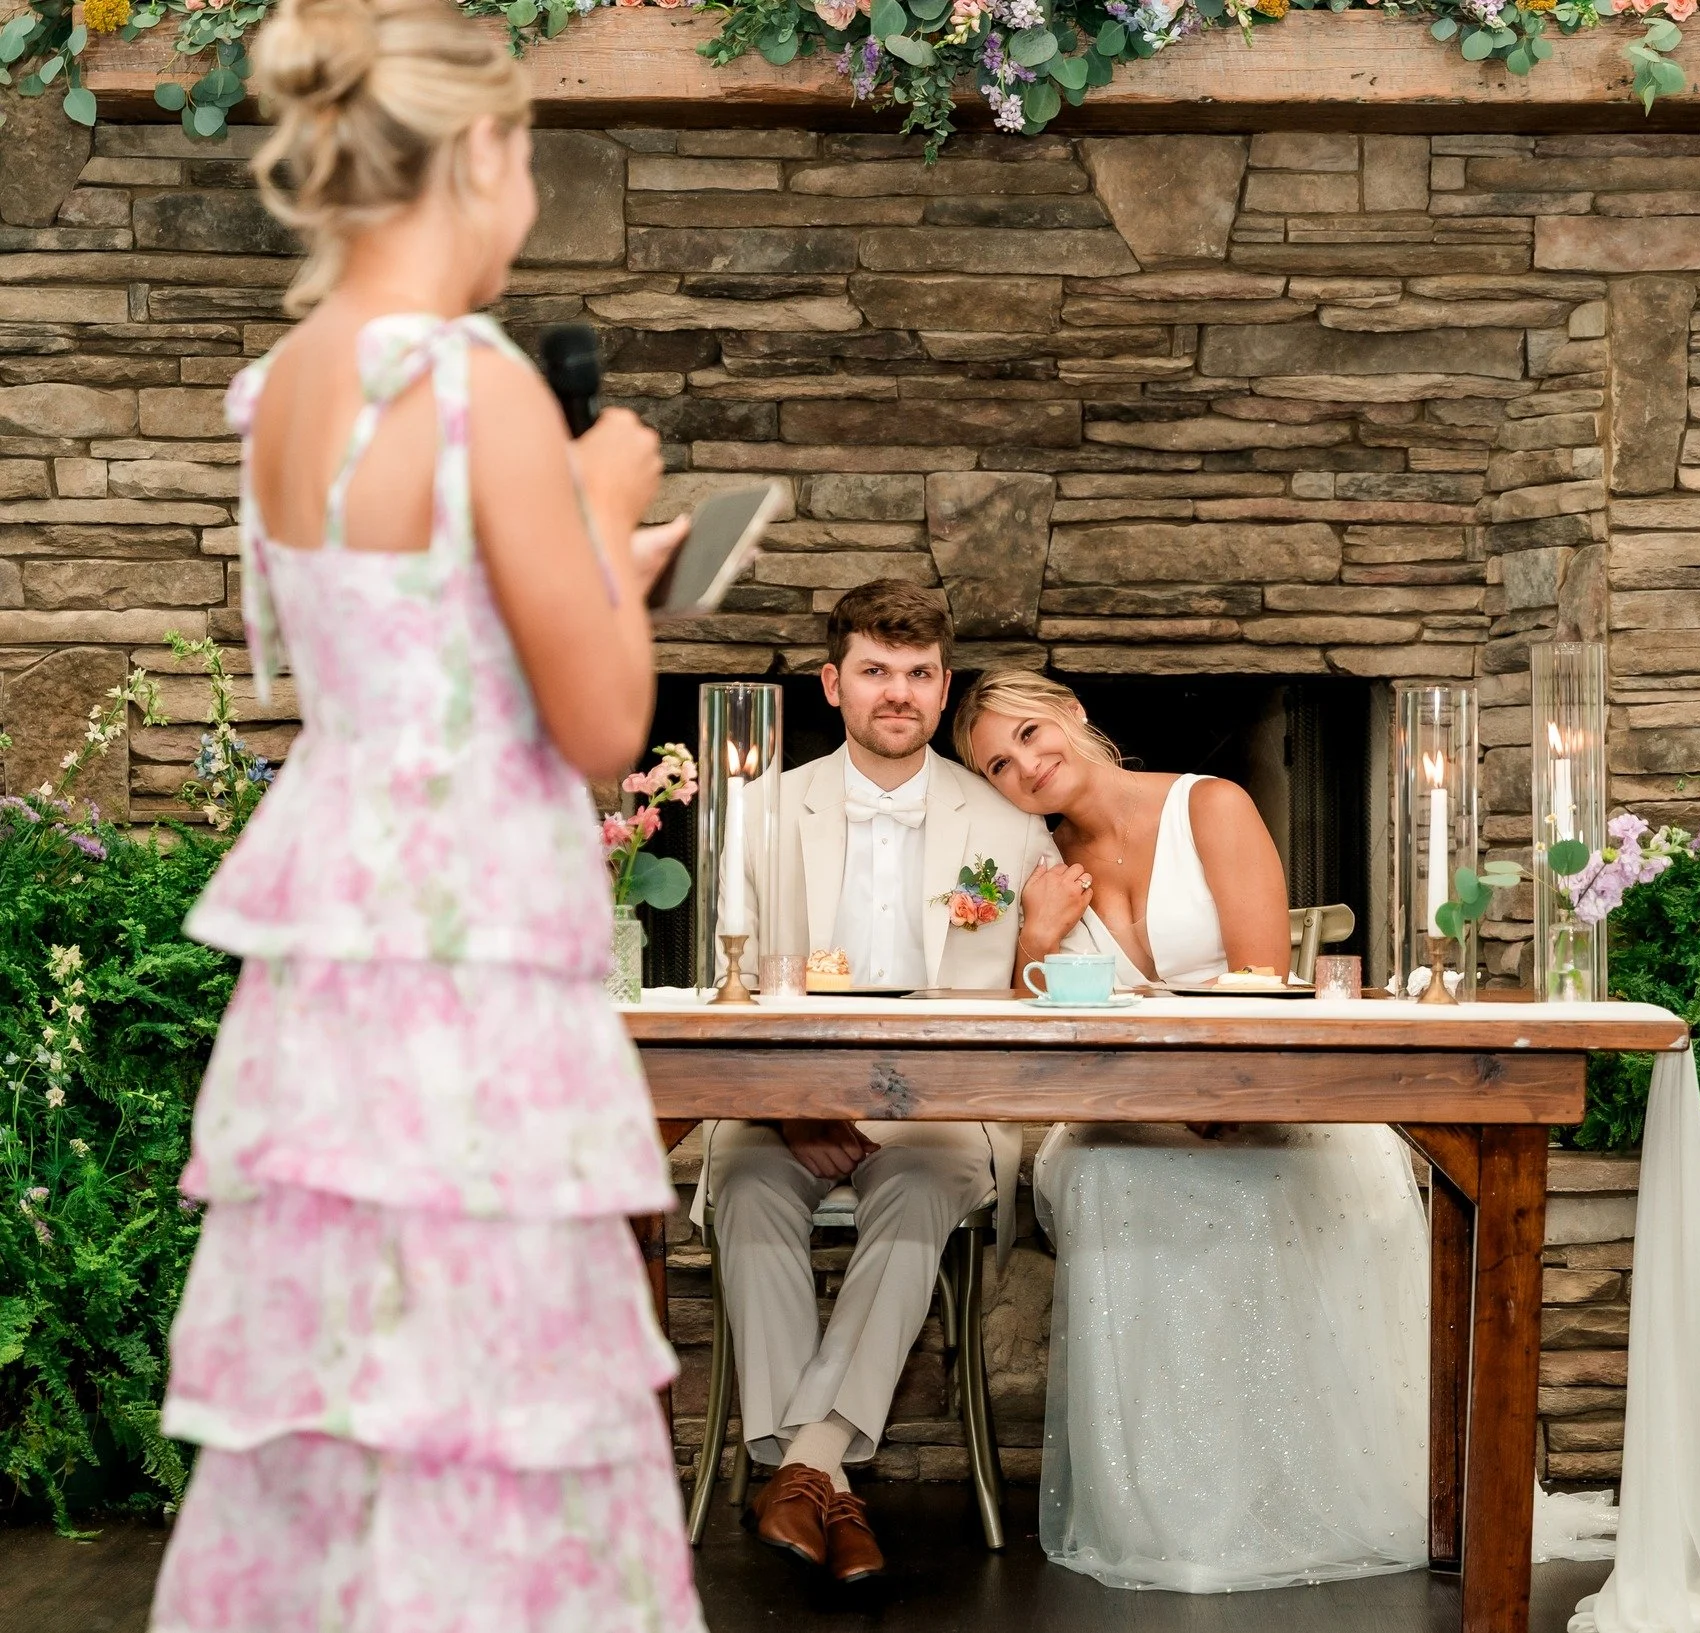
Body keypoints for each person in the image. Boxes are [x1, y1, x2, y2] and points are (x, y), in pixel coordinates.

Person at [148, 1, 703, 1627]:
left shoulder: (288, 385)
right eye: (527, 149)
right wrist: (601, 508)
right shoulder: (479, 386)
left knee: (346, 1365)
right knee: (492, 1365)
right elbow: (601, 723)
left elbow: (400, 644)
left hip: (333, 956)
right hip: (468, 950)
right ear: (479, 152)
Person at [953, 670, 1436, 1593]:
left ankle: (1305, 1482)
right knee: (1105, 1180)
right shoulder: (1032, 867)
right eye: (999, 764)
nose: (1026, 764)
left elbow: (1263, 984)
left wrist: (1222, 1100)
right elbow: (1030, 1037)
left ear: (1074, 714)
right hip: (1122, 1117)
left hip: (1261, 1092)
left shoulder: (1210, 805)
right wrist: (1035, 944)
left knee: (1270, 1181)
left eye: (1029, 732)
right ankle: (1169, 1505)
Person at [690, 581, 1052, 1584]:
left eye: (919, 674)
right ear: (830, 683)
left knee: (923, 1190)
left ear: (943, 692)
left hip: (942, 1118)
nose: (898, 693)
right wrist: (790, 1107)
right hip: (784, 1102)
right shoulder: (760, 811)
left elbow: (1036, 989)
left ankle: (794, 1469)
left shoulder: (1009, 825)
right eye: (875, 671)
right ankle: (830, 1491)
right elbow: (729, 982)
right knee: (752, 1188)